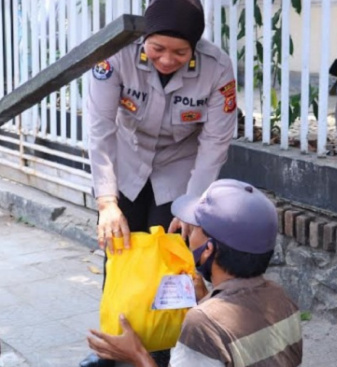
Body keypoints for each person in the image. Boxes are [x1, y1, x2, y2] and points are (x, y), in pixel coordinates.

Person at [82, 0, 236, 365]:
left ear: (194, 47)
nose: (167, 59)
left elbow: (216, 143)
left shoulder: (217, 68)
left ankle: (165, 351)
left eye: (180, 52)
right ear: (145, 39)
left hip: (179, 169)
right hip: (127, 161)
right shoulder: (115, 54)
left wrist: (193, 206)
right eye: (158, 49)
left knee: (173, 261)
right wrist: (106, 202)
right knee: (119, 255)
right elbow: (100, 129)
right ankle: (114, 348)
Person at [87, 179, 303, 366]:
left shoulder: (201, 325)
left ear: (208, 249)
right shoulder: (283, 300)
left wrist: (136, 353)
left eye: (194, 227)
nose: (187, 232)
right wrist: (206, 299)